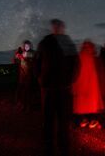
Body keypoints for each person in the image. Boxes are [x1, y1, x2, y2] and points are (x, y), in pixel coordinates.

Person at [35, 19, 79, 156]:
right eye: (56, 26)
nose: (58, 28)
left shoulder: (67, 42)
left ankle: (63, 148)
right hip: (48, 88)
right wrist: (40, 79)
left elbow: (76, 63)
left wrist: (71, 81)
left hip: (63, 88)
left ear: (62, 28)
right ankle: (49, 148)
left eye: (60, 26)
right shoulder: (45, 43)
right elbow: (37, 63)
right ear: (53, 28)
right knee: (48, 120)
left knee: (63, 121)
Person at [72, 40, 105, 129]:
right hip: (92, 86)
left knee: (84, 103)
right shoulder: (93, 58)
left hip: (84, 85)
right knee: (93, 103)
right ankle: (92, 120)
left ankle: (85, 119)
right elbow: (100, 72)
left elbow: (75, 72)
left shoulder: (80, 57)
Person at [13, 40, 35, 112]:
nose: (26, 47)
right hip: (22, 75)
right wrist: (17, 53)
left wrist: (21, 56)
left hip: (29, 75)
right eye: (25, 45)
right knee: (22, 90)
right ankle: (22, 104)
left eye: (28, 45)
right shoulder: (21, 53)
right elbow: (14, 60)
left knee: (28, 90)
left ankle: (28, 105)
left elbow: (29, 58)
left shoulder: (32, 53)